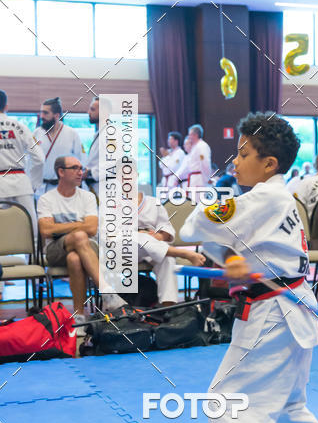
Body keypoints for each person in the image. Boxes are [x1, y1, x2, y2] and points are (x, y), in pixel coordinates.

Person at [180, 111, 318, 423]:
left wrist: (214, 202)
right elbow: (248, 245)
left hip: (274, 314)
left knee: (225, 401)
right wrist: (235, 258)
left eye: (242, 154)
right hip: (294, 308)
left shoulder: (261, 198)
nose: (234, 163)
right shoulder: (278, 199)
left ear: (269, 163)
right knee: (287, 397)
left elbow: (195, 224)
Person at [37, 156, 126, 323]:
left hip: (88, 247)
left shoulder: (88, 197)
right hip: (55, 251)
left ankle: (78, 316)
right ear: (61, 172)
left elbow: (92, 228)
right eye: (75, 168)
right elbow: (46, 230)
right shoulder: (46, 199)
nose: (81, 172)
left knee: (75, 257)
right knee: (79, 235)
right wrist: (78, 224)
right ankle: (107, 292)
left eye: (81, 168)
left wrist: (60, 227)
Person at [137, 191, 205, 304]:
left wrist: (159, 236)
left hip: (154, 248)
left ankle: (168, 306)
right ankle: (182, 253)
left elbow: (166, 228)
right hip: (126, 251)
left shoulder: (153, 202)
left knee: (168, 259)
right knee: (139, 237)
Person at [0, 89, 44, 229]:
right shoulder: (21, 127)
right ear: (6, 106)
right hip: (21, 183)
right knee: (30, 228)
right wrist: (34, 183)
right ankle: (33, 252)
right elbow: (39, 158)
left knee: (2, 230)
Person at [33, 97, 84, 196]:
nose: (41, 116)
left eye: (45, 113)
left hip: (65, 186)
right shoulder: (37, 133)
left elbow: (80, 160)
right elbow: (31, 161)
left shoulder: (71, 133)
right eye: (41, 112)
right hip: (41, 187)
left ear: (56, 115)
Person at [170, 124, 212, 190]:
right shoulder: (194, 147)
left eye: (190, 135)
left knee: (197, 199)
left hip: (199, 179)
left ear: (195, 135)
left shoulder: (202, 146)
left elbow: (205, 163)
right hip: (193, 178)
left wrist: (207, 178)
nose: (189, 137)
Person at [82, 96, 100, 194]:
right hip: (95, 188)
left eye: (92, 109)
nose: (88, 112)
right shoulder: (98, 134)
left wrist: (88, 173)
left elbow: (113, 165)